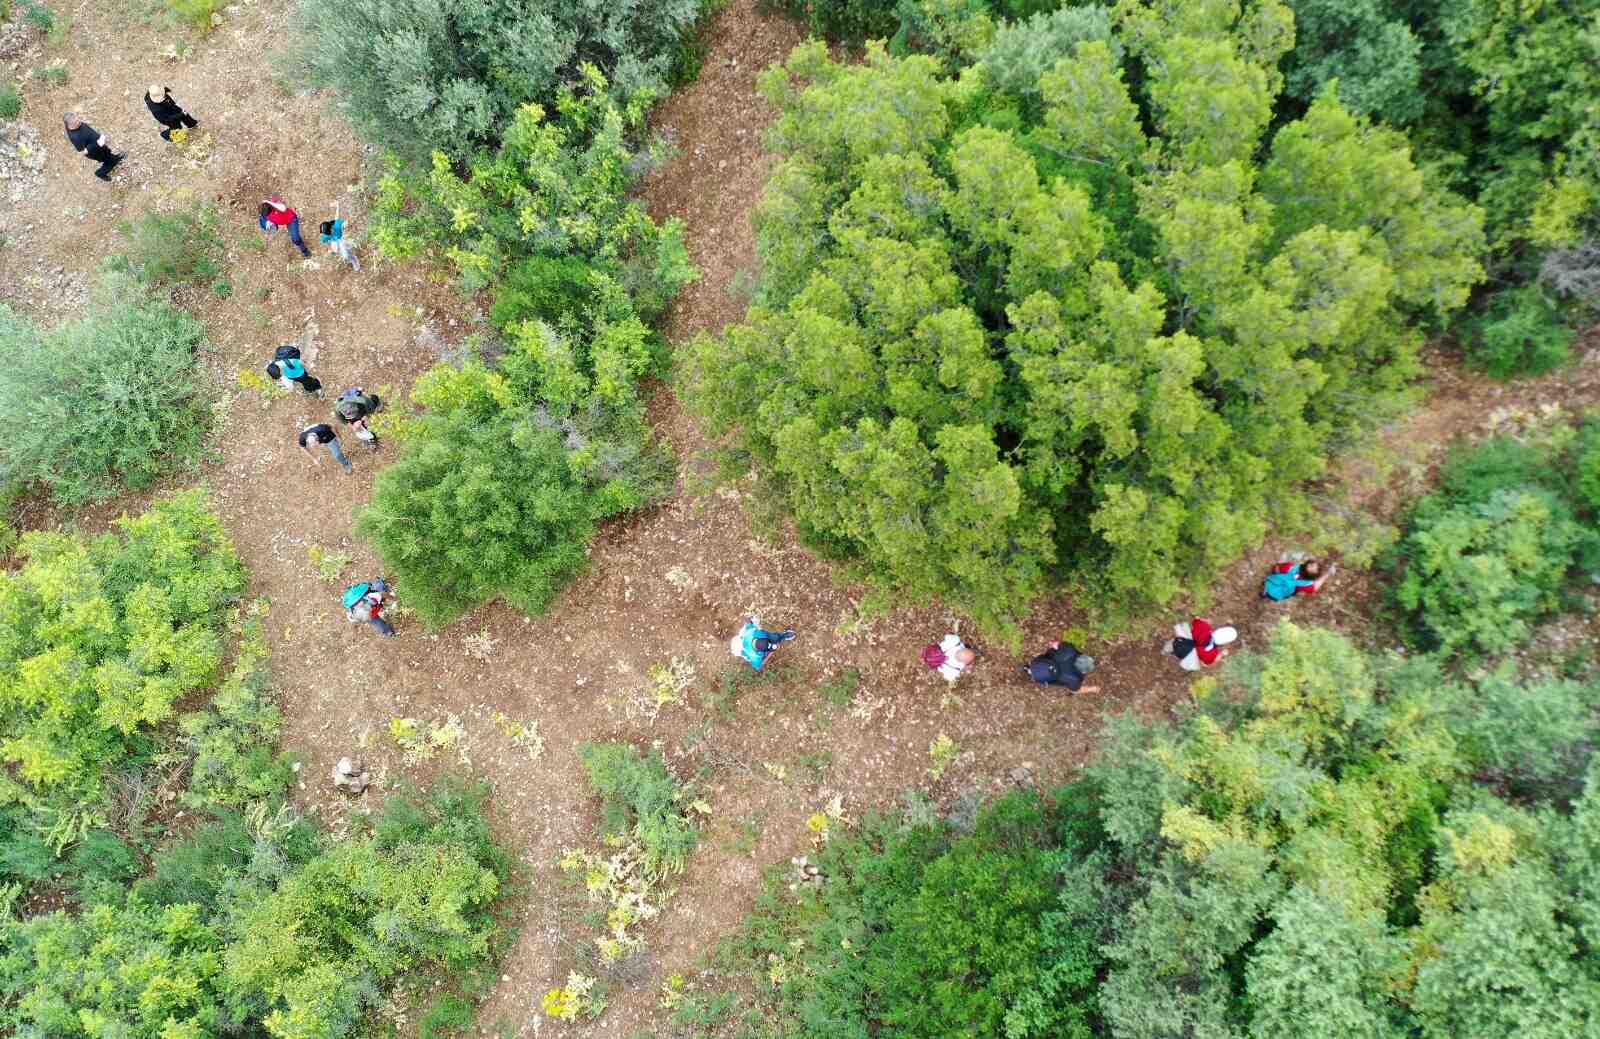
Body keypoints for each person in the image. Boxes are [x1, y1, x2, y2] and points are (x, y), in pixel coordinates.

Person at [62, 112, 124, 181]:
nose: (79, 122)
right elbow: (83, 152)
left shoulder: (74, 124)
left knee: (108, 153)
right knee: (108, 161)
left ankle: (115, 158)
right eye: (76, 122)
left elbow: (84, 129)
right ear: (70, 125)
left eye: (78, 119)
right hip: (96, 152)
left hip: (99, 144)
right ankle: (100, 173)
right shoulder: (76, 138)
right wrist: (97, 143)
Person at [1020, 641, 1100, 693]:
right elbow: (1076, 691)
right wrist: (1092, 689)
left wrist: (1053, 646)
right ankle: (1031, 671)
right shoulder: (1075, 679)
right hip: (1044, 675)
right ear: (1084, 672)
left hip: (1043, 662)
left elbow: (1054, 644)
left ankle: (1030, 667)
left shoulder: (1070, 650)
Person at [1164, 618, 1237, 671]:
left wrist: (1206, 621)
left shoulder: (1204, 627)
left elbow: (1196, 620)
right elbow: (1207, 663)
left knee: (1172, 644)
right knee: (1185, 655)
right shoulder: (1212, 653)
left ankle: (1165, 650)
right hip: (1186, 655)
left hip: (1181, 641)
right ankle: (1171, 654)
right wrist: (1221, 654)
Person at [730, 617, 796, 671]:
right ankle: (773, 644)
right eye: (768, 647)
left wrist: (751, 620)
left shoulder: (756, 632)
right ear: (760, 651)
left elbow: (748, 622)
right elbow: (759, 667)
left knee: (774, 637)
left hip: (744, 638)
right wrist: (771, 652)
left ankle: (783, 635)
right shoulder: (754, 657)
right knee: (765, 653)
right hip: (741, 648)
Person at [1261, 558, 1336, 600]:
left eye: (1312, 566)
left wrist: (1278, 564)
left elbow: (1277, 569)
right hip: (1279, 594)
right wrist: (1327, 574)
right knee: (1277, 591)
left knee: (1272, 582)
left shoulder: (1290, 567)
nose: (1312, 566)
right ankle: (1265, 594)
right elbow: (1315, 587)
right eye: (1313, 565)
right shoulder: (1306, 584)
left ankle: (1265, 588)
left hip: (1273, 582)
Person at [319, 201, 361, 272]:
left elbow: (337, 219)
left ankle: (354, 259)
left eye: (330, 231)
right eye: (328, 233)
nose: (330, 233)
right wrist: (330, 249)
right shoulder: (325, 235)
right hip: (336, 241)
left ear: (331, 227)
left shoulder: (337, 225)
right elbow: (324, 241)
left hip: (342, 238)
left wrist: (346, 224)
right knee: (346, 255)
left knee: (349, 249)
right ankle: (353, 260)